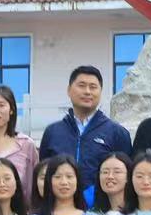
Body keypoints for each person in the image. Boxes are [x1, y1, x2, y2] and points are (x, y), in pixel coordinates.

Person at [38, 67, 131, 204]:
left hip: (101, 209)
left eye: (93, 87)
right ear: (69, 90)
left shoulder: (117, 133)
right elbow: (44, 173)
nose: (87, 91)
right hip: (59, 208)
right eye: (81, 86)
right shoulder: (52, 132)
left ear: (100, 92)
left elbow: (126, 176)